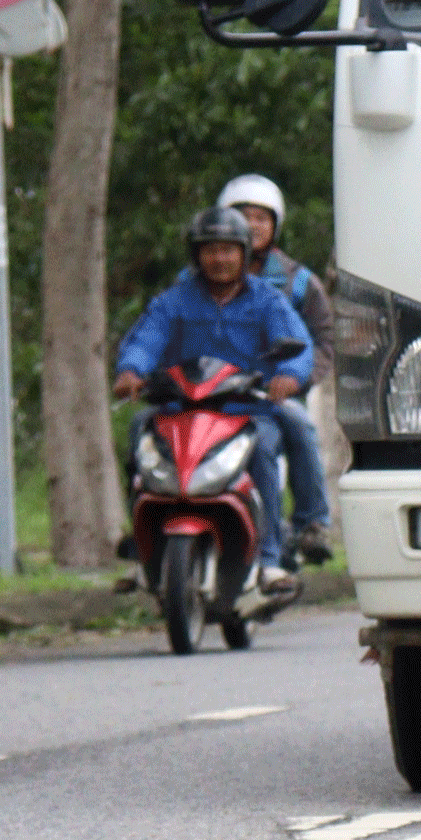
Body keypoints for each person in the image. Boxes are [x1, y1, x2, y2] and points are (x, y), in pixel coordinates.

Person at [113, 208, 313, 591]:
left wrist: (289, 375)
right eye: (209, 251)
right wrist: (131, 371)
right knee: (140, 431)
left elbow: (298, 345)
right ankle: (142, 550)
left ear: (243, 253)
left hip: (245, 410)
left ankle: (270, 560)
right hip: (182, 409)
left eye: (227, 251)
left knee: (264, 453)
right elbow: (146, 338)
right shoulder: (175, 301)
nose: (219, 260)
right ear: (196, 255)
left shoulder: (267, 301)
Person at [217, 174, 337, 564]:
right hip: (209, 394)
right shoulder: (196, 282)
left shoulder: (296, 282)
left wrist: (294, 378)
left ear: (275, 226)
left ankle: (308, 525)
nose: (251, 227)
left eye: (261, 218)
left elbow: (320, 339)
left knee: (286, 432)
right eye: (242, 217)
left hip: (267, 395)